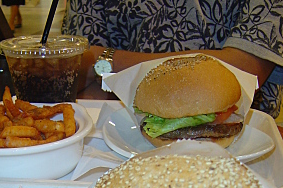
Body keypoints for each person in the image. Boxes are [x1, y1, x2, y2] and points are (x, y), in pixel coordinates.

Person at [61, 0, 283, 118]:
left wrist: (106, 61)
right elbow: (79, 69)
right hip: (123, 128)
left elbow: (245, 69)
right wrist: (97, 67)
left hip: (245, 141)